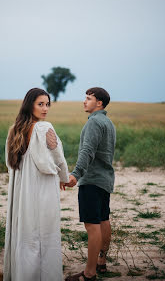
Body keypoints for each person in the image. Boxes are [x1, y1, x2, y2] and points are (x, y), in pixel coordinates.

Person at [3, 88, 69, 281]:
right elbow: (57, 156)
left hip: (22, 191)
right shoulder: (43, 128)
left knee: (26, 232)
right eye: (40, 104)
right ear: (29, 104)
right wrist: (65, 177)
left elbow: (10, 164)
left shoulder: (14, 129)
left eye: (47, 104)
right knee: (45, 234)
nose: (45, 108)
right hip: (42, 188)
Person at [65, 87, 116, 281]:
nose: (84, 102)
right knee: (103, 220)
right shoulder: (108, 122)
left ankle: (89, 273)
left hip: (92, 181)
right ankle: (101, 263)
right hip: (105, 180)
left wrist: (75, 174)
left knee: (92, 226)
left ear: (99, 103)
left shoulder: (94, 122)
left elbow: (87, 151)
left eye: (88, 99)